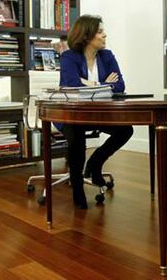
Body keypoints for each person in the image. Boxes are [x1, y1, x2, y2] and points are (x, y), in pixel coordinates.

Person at [58, 15, 134, 209]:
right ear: (86, 36)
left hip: (99, 114)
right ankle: (77, 187)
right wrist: (103, 84)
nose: (104, 35)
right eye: (100, 31)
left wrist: (90, 83)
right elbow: (72, 85)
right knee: (75, 137)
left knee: (126, 130)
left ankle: (95, 162)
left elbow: (120, 86)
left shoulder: (107, 56)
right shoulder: (69, 57)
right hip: (71, 116)